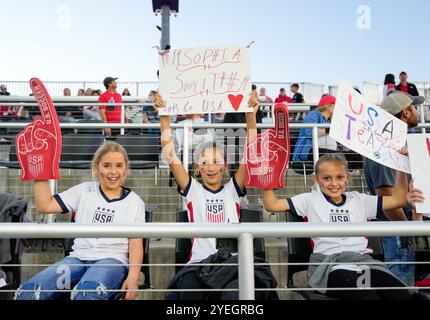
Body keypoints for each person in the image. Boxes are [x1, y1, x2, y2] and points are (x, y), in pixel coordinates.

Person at [152, 92, 277, 300]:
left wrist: (251, 117)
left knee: (233, 298)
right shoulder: (193, 190)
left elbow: (251, 153)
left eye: (216, 161)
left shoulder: (233, 190)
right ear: (197, 168)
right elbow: (170, 154)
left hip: (232, 264)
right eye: (204, 162)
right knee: (189, 298)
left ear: (225, 166)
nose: (210, 167)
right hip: (199, 265)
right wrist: (164, 116)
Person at [263, 153, 418, 300]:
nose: (334, 183)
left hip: (363, 261)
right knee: (367, 296)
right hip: (331, 264)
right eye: (327, 178)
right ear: (317, 179)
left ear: (347, 178)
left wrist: (400, 164)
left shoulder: (360, 200)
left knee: (400, 294)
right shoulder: (309, 200)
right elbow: (272, 205)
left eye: (339, 177)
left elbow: (398, 199)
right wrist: (268, 176)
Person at [14, 141, 146, 300]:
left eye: (119, 165)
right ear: (97, 168)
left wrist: (133, 277)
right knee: (28, 292)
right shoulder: (84, 190)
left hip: (112, 260)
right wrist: (40, 171)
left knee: (87, 292)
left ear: (126, 168)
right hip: (77, 258)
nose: (113, 172)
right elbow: (45, 205)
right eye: (106, 165)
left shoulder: (135, 202)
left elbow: (136, 243)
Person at [364, 91, 425, 285]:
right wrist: (408, 231)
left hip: (408, 227)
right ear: (406, 113)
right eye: (414, 108)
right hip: (399, 232)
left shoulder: (396, 145)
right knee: (402, 288)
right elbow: (386, 198)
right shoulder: (384, 149)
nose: (417, 112)